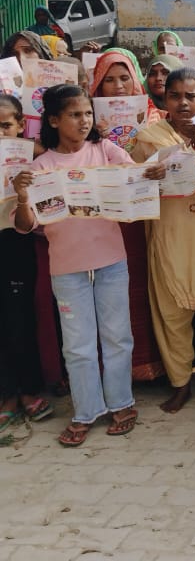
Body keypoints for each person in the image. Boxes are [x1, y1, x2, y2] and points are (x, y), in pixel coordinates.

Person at [12, 85, 164, 446]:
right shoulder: (41, 167)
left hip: (111, 262)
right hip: (67, 269)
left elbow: (135, 180)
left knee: (117, 337)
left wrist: (150, 175)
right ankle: (85, 411)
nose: (84, 121)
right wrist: (22, 196)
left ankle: (121, 403)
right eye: (75, 115)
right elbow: (25, 226)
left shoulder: (105, 150)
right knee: (77, 345)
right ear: (53, 120)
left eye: (88, 114)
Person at [130, 68, 195, 413]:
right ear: (164, 99)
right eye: (175, 96)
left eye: (191, 96)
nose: (183, 103)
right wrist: (150, 176)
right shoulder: (149, 139)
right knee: (171, 314)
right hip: (169, 236)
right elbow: (131, 187)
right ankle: (180, 384)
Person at [89, 51, 166, 382]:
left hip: (143, 218)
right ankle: (112, 369)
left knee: (144, 286)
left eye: (124, 78)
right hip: (104, 219)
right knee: (109, 294)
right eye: (109, 79)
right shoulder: (86, 119)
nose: (118, 86)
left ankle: (152, 363)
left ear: (135, 79)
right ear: (98, 84)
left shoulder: (156, 117)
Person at [0, 94, 52, 431]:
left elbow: (48, 158)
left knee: (20, 318)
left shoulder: (32, 157)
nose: (0, 133)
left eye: (5, 125)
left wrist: (22, 149)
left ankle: (30, 390)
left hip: (15, 241)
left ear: (21, 125)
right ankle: (7, 395)